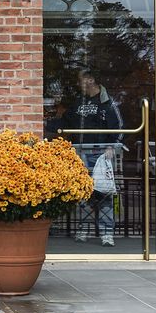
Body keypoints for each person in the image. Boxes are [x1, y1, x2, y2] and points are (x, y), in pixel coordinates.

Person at [67, 69, 124, 246]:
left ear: (91, 80)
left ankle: (107, 233)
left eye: (81, 80)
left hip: (101, 154)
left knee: (105, 193)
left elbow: (120, 126)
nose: (79, 84)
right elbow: (67, 122)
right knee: (84, 193)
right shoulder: (78, 102)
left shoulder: (107, 102)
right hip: (81, 151)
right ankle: (84, 229)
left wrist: (112, 145)